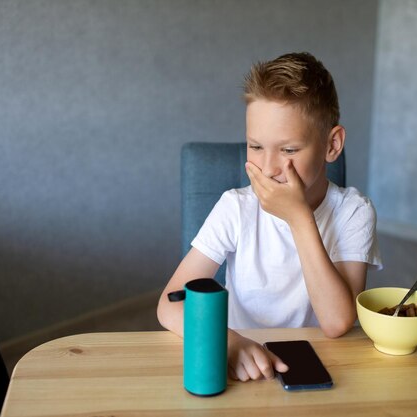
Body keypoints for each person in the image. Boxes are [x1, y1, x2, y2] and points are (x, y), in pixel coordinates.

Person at [157, 52, 382, 382]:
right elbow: (169, 304)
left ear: (332, 145)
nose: (268, 167)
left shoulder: (354, 212)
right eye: (256, 146)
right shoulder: (236, 207)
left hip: (321, 364)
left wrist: (299, 218)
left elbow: (337, 323)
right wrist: (228, 341)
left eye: (289, 150)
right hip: (242, 363)